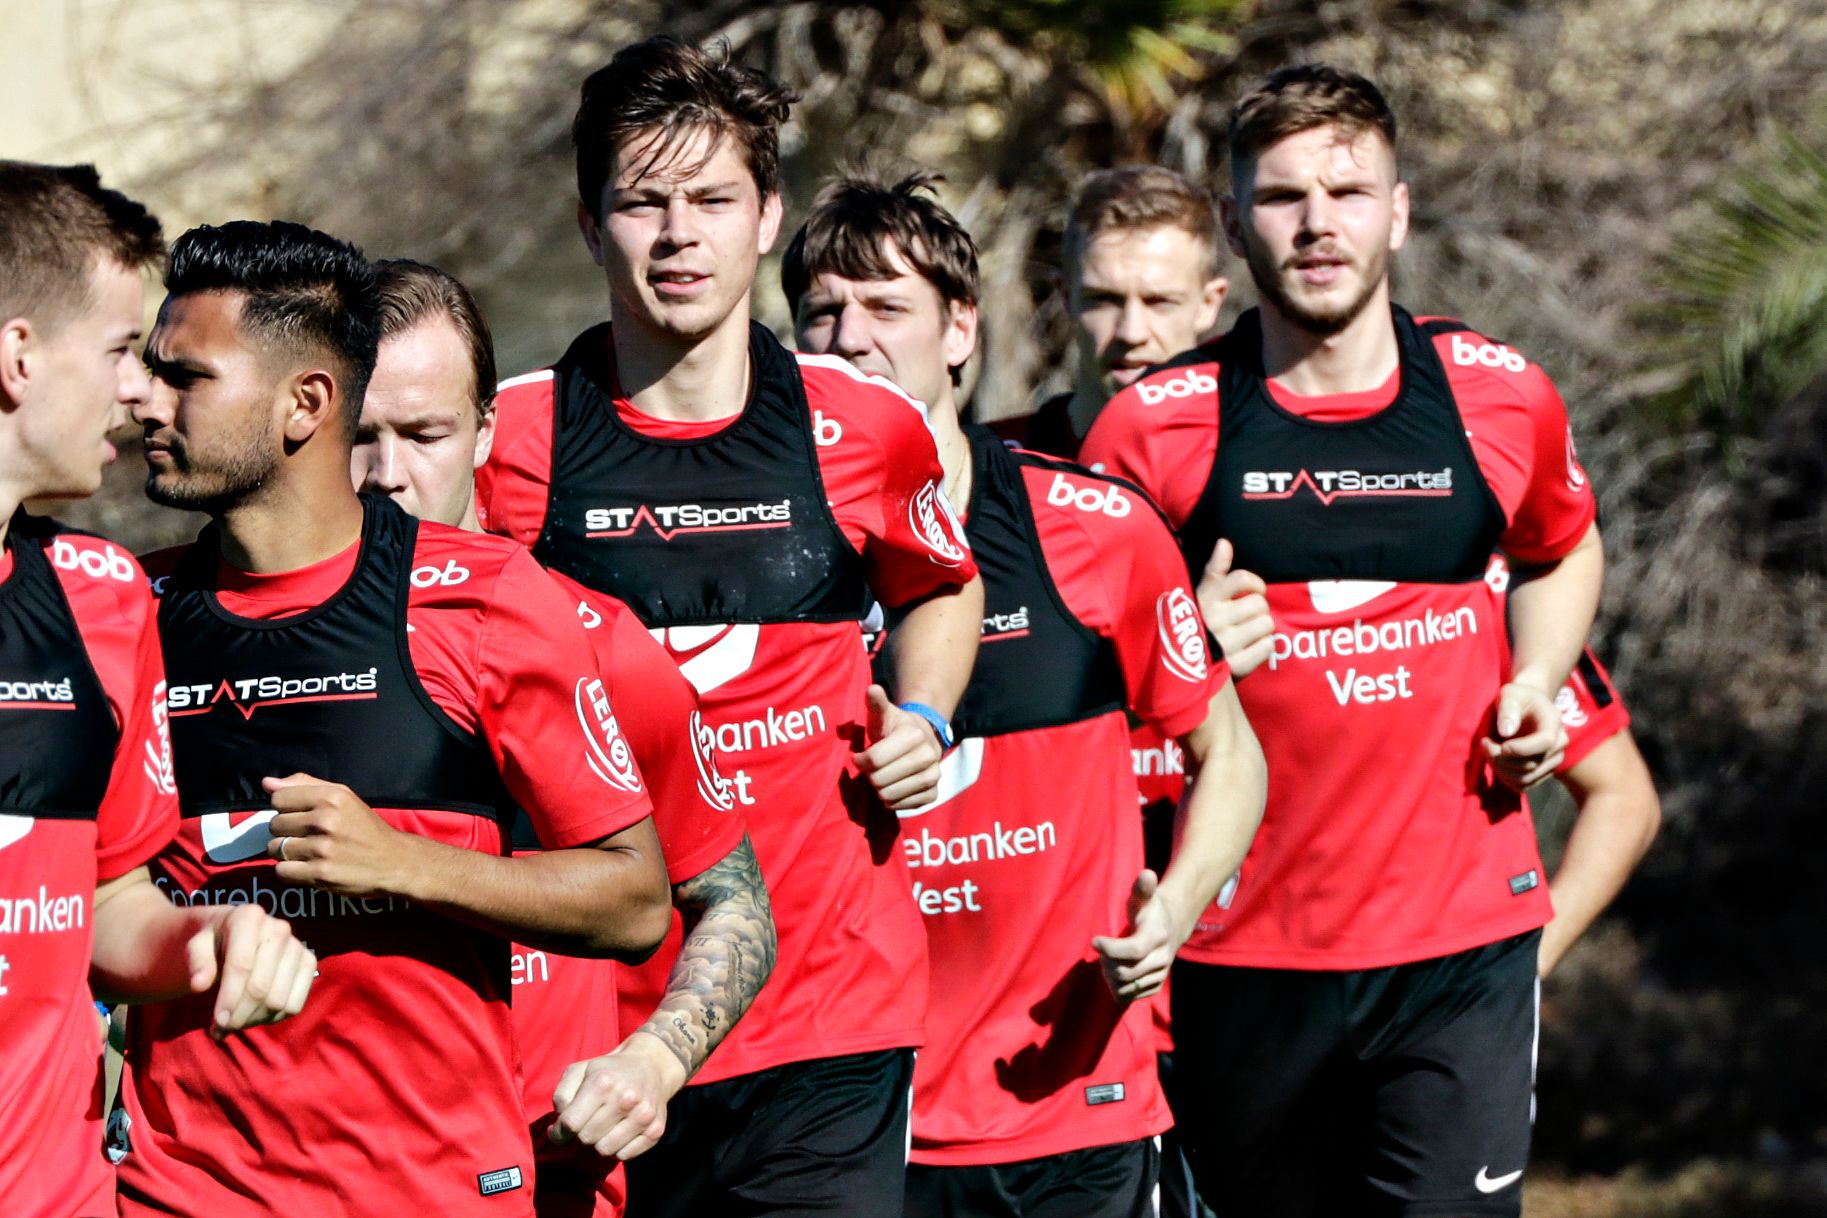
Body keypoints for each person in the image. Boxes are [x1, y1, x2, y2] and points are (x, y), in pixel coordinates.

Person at [1081, 64, 1605, 1215]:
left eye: (1349, 192)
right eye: (1282, 197)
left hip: (1460, 948)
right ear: (1234, 226)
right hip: (1241, 954)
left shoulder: (1498, 394)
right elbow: (1071, 684)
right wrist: (1182, 643)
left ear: (1398, 212)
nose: (1318, 223)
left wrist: (1538, 675)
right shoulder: (1151, 430)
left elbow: (1564, 548)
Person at [477, 37, 983, 1218]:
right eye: (642, 203)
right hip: (595, 1033)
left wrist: (924, 715)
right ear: (591, 225)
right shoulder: (512, 441)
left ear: (766, 218)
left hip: (830, 1014)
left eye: (710, 200)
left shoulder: (866, 424)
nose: (678, 236)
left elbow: (942, 585)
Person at [114, 220, 671, 1218]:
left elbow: (635, 904)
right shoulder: (121, 615)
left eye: (186, 377)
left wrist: (406, 863)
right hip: (183, 1193)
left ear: (305, 403)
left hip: (432, 1190)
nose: (146, 401)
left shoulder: (485, 598)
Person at [785, 169, 1266, 1218]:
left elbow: (1229, 754)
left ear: (960, 329)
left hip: (1072, 1106)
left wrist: (1172, 911)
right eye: (822, 313)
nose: (851, 338)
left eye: (886, 307)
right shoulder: (762, 566)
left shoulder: (1096, 526)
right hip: (849, 1117)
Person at [354, 258, 776, 1217]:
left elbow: (734, 902)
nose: (387, 476)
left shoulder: (596, 642)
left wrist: (656, 1059)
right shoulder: (238, 641)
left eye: (424, 435)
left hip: (545, 1180)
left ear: (486, 431)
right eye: (359, 437)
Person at [0, 161, 316, 1218]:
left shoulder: (103, 596)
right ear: (18, 356)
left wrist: (206, 937)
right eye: (118, 350)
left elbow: (105, 903)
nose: (138, 391)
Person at [1014, 166, 1227, 460]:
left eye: (1159, 302)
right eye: (1104, 300)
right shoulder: (990, 466)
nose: (1131, 332)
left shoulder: (1261, 462)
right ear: (1066, 297)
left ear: (1209, 304)